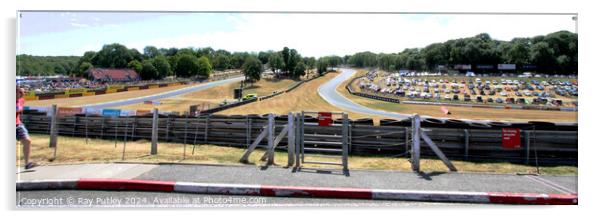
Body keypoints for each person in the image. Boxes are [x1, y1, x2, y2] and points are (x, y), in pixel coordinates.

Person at [17, 87, 37, 169]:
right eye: (20, 92)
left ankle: (27, 163)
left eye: (23, 92)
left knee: (27, 141)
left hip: (17, 125)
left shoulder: (21, 100)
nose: (22, 94)